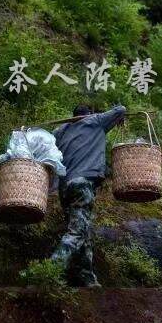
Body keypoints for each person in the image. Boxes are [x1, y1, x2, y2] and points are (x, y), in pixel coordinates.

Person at [50, 104, 126, 286]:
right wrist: (103, 116)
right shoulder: (96, 121)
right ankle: (50, 271)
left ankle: (87, 278)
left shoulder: (60, 131)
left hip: (64, 187)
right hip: (82, 183)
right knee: (77, 231)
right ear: (89, 114)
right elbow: (120, 109)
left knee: (83, 229)